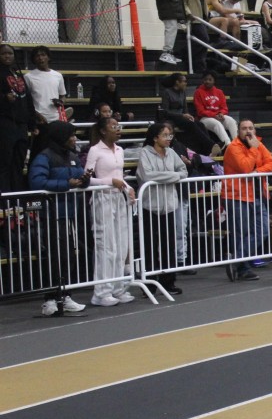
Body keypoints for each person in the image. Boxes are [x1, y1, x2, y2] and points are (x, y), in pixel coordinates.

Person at [28, 120, 89, 315]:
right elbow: (37, 182)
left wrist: (84, 181)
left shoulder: (72, 156)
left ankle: (65, 295)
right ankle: (50, 300)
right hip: (51, 215)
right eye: (71, 135)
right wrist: (66, 184)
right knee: (54, 257)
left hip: (70, 214)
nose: (74, 139)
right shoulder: (44, 157)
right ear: (61, 137)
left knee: (69, 256)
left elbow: (79, 177)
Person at [84, 116, 134, 307]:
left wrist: (128, 187)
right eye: (113, 126)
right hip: (102, 198)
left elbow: (119, 176)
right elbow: (87, 178)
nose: (117, 129)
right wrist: (109, 182)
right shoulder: (95, 150)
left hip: (118, 198)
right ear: (104, 131)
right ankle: (101, 292)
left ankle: (118, 288)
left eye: (118, 126)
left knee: (121, 245)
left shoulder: (120, 150)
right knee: (106, 246)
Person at [222, 119, 272, 282]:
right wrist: (253, 149)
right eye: (244, 128)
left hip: (257, 195)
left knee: (263, 231)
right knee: (241, 233)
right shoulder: (233, 147)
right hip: (237, 195)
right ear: (238, 131)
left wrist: (257, 172)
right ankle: (243, 268)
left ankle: (235, 260)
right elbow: (245, 167)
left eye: (251, 128)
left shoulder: (258, 144)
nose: (248, 131)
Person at [137, 122, 187, 295]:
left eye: (170, 135)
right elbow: (147, 175)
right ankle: (150, 284)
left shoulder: (171, 152)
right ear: (155, 137)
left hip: (170, 205)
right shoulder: (145, 153)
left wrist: (170, 176)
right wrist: (173, 176)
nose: (168, 138)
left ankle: (169, 282)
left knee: (169, 245)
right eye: (165, 135)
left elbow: (183, 171)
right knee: (150, 246)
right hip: (150, 206)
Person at [0, 43, 35, 192]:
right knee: (5, 162)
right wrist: (4, 98)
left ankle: (17, 196)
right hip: (5, 124)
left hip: (21, 125)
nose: (7, 56)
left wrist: (32, 123)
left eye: (10, 53)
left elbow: (28, 99)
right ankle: (5, 198)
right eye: (3, 54)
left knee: (19, 162)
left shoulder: (17, 72)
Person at [159, 72, 218, 156]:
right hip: (172, 118)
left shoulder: (182, 92)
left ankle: (207, 151)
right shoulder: (167, 92)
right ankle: (211, 145)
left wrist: (188, 115)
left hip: (182, 118)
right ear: (177, 82)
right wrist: (182, 115)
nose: (186, 83)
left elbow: (185, 108)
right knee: (191, 124)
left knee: (200, 124)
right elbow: (165, 111)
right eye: (184, 81)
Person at [25, 46, 69, 124]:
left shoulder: (58, 75)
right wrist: (36, 115)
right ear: (34, 59)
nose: (40, 58)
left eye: (43, 55)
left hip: (56, 118)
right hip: (38, 119)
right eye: (37, 56)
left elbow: (62, 96)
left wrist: (60, 102)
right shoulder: (28, 77)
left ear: (48, 57)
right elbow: (25, 100)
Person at [194, 71, 238, 146]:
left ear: (214, 81)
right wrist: (214, 115)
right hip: (204, 118)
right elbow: (200, 111)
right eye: (205, 79)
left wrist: (221, 113)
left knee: (231, 121)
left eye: (210, 79)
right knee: (217, 123)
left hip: (218, 116)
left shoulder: (219, 92)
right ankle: (228, 145)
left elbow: (224, 108)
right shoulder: (198, 92)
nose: (207, 81)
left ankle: (238, 143)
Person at [179, 0, 209, 74]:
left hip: (201, 19)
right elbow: (183, 1)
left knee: (203, 44)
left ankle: (199, 66)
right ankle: (186, 56)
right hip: (193, 19)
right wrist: (188, 13)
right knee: (204, 40)